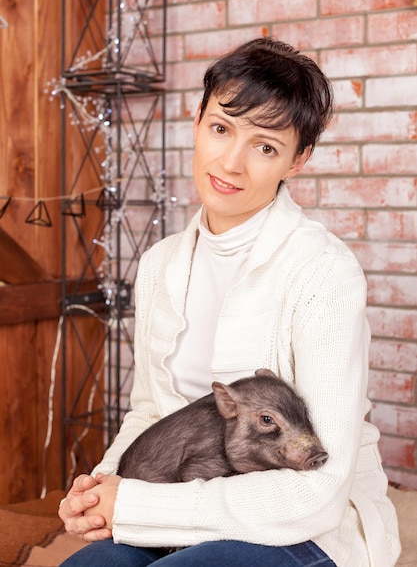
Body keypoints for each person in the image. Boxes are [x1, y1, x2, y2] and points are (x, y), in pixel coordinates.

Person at [58, 37, 401, 567]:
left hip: (299, 526)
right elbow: (151, 411)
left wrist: (138, 503)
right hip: (176, 504)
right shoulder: (160, 264)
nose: (232, 164)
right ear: (197, 121)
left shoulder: (323, 272)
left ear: (298, 159)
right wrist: (103, 489)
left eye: (266, 146)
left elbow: (319, 488)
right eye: (221, 129)